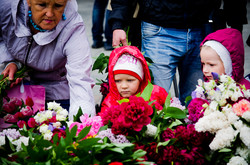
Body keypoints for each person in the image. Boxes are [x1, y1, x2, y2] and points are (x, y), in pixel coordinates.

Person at [108, 0, 247, 105]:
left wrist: (236, 23)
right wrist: (118, 24)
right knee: (152, 103)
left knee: (197, 104)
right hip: (158, 28)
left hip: (203, 26)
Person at [0, 0, 96, 120]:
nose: (50, 14)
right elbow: (3, 37)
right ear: (29, 1)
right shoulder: (6, 8)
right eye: (42, 5)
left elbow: (80, 81)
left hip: (57, 91)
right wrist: (11, 62)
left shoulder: (73, 28)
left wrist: (83, 126)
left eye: (58, 6)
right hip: (18, 90)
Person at [100, 46, 168, 113]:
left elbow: (172, 107)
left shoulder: (156, 93)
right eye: (117, 81)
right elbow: (104, 119)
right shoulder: (110, 103)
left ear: (141, 79)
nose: (124, 86)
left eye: (129, 80)